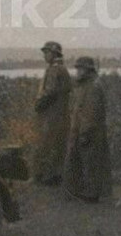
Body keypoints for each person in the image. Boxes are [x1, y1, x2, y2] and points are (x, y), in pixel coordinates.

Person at [63, 56, 112, 203]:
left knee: (91, 164)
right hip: (82, 131)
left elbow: (91, 113)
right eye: (77, 68)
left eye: (80, 68)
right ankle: (81, 192)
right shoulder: (84, 86)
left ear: (88, 70)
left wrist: (84, 133)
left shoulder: (93, 87)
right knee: (82, 163)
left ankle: (92, 195)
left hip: (90, 133)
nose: (77, 71)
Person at [33, 40, 73, 185]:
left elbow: (49, 92)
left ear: (54, 53)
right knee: (58, 145)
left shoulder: (54, 70)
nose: (44, 56)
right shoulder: (62, 69)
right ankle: (55, 175)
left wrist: (39, 104)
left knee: (47, 144)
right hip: (61, 114)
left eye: (47, 52)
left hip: (52, 115)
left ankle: (46, 177)